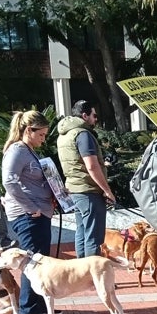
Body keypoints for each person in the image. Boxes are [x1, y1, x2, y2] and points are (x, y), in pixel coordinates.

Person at [1, 110, 56, 314]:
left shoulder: (28, 150)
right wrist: (30, 207)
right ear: (28, 130)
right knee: (31, 261)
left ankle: (40, 305)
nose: (43, 139)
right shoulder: (17, 151)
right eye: (41, 134)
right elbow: (9, 182)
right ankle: (28, 309)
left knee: (39, 259)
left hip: (39, 212)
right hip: (27, 214)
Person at [56, 100, 115, 257]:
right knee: (94, 238)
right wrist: (107, 190)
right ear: (84, 115)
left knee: (82, 233)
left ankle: (82, 276)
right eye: (94, 115)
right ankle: (94, 278)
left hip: (75, 189)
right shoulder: (83, 134)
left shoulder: (64, 135)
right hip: (89, 191)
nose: (96, 119)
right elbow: (91, 166)